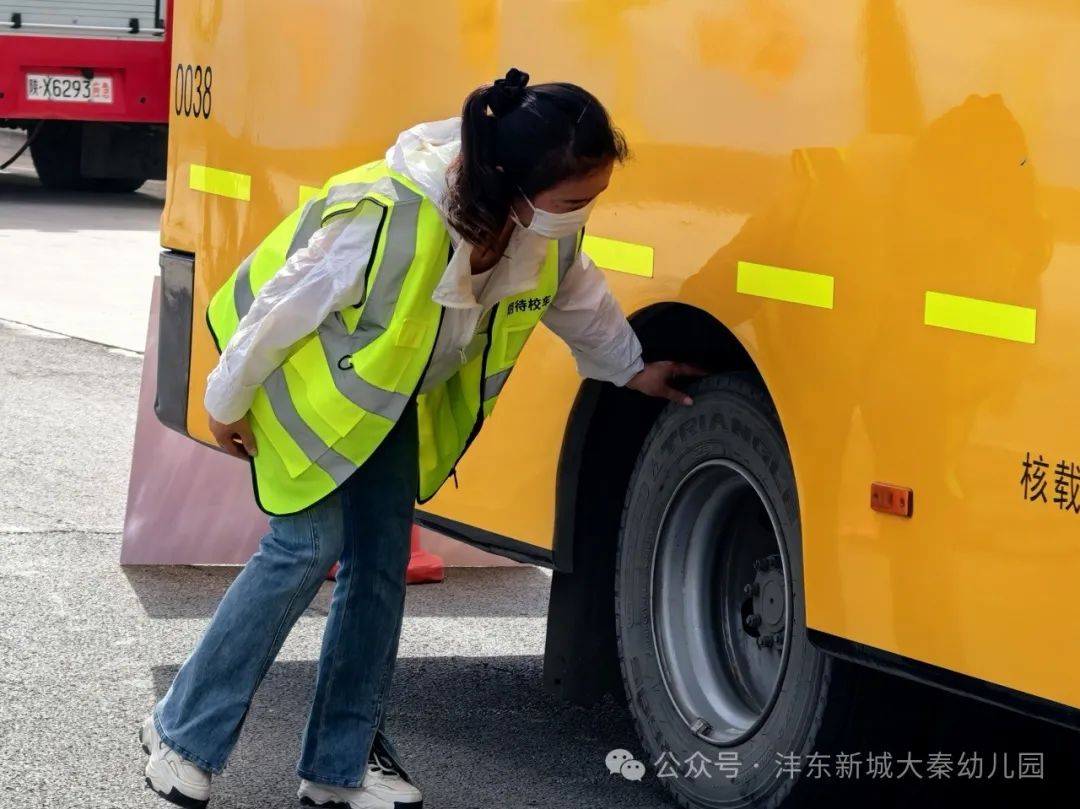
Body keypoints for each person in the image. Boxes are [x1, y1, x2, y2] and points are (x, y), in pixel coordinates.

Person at [139, 68, 703, 809]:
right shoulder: (396, 210)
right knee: (305, 548)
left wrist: (634, 370)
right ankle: (179, 737)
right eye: (574, 201)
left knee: (377, 568)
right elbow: (284, 304)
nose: (583, 216)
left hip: (380, 406)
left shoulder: (540, 234)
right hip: (295, 385)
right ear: (516, 184)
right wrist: (226, 396)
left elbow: (578, 300)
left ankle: (336, 768)